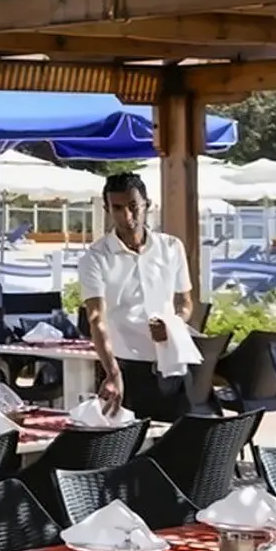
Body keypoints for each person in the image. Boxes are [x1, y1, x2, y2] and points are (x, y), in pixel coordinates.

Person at [78, 172, 198, 420]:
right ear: (107, 210)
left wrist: (173, 323)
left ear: (147, 205)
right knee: (131, 443)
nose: (127, 216)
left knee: (182, 441)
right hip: (127, 370)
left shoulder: (171, 247)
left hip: (174, 364)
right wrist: (112, 373)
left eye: (133, 206)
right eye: (117, 208)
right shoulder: (95, 258)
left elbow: (185, 302)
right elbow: (96, 318)